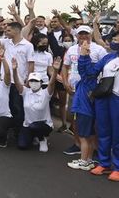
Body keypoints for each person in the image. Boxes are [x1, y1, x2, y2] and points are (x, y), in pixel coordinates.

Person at [78, 33, 119, 181]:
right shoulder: (108, 58)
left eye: (116, 40)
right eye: (113, 40)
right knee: (103, 131)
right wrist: (84, 57)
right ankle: (104, 163)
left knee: (117, 133)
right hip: (104, 97)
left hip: (117, 98)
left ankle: (118, 166)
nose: (113, 42)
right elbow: (89, 73)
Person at [62, 25, 108, 156]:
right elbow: (65, 67)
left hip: (92, 91)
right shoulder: (71, 49)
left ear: (91, 34)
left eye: (86, 34)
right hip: (74, 90)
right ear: (76, 36)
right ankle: (77, 144)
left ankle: (94, 148)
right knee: (75, 119)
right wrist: (65, 83)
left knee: (94, 120)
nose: (83, 36)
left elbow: (105, 68)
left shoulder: (99, 49)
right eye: (80, 34)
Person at [13, 56, 61, 152]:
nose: (33, 83)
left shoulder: (45, 93)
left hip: (44, 125)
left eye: (36, 81)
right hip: (28, 124)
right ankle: (33, 137)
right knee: (22, 145)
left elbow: (51, 84)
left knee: (35, 126)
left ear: (41, 82)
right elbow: (17, 83)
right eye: (31, 81)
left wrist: (55, 71)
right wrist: (14, 70)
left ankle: (42, 138)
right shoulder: (26, 92)